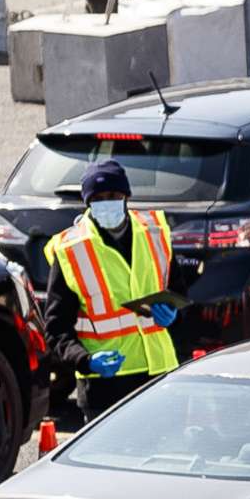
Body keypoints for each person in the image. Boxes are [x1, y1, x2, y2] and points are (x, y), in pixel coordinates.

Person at [42, 159, 179, 422]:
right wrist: (86, 360)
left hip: (159, 375)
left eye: (114, 196)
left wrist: (173, 314)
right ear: (88, 202)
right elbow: (56, 329)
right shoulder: (72, 250)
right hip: (104, 389)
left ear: (126, 196)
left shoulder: (154, 232)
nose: (108, 202)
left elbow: (177, 291)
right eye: (99, 197)